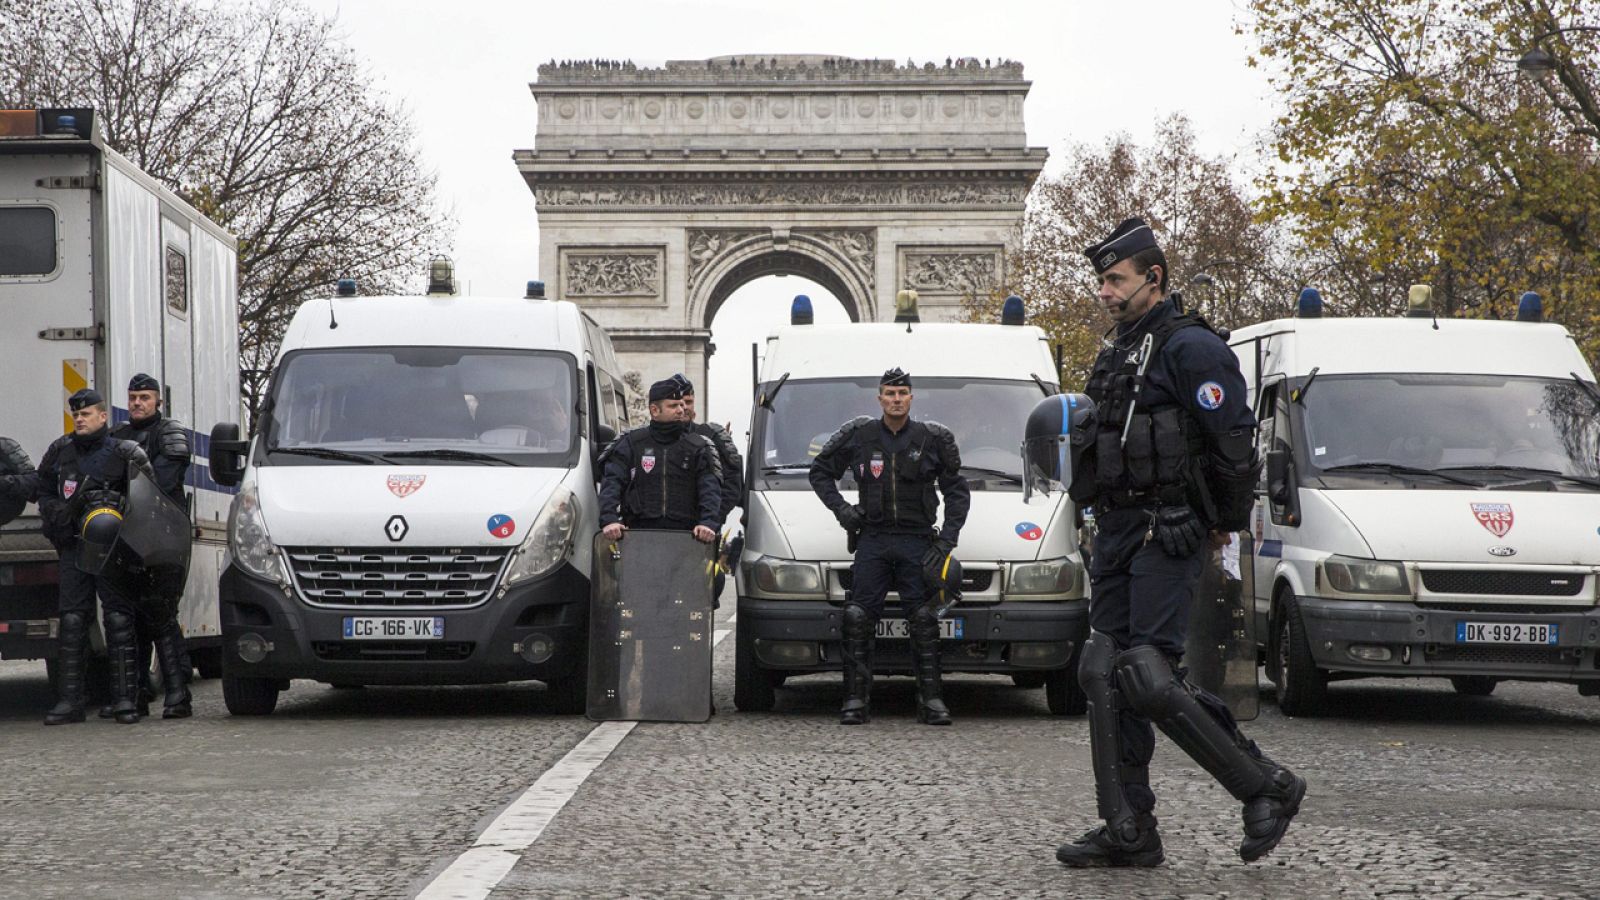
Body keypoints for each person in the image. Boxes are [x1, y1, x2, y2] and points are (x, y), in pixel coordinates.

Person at [1056, 218, 1305, 867]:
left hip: (1168, 529)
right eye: (1102, 281)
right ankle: (1128, 828)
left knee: (1147, 674)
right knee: (1101, 671)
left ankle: (1267, 787)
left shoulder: (1191, 348)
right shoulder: (1117, 351)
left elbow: (1232, 442)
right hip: (1115, 533)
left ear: (1153, 279)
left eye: (1117, 280)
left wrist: (1220, 522)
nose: (1105, 292)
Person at [808, 368, 970, 726]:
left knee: (925, 620)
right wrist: (843, 511)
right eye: (890, 394)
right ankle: (854, 701)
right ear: (879, 398)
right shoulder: (859, 436)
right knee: (857, 617)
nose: (896, 400)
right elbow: (819, 472)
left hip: (917, 541)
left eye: (902, 393)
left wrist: (946, 542)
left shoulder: (932, 439)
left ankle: (932, 701)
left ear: (912, 398)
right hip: (873, 540)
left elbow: (957, 491)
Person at [6, 389, 155, 725]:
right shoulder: (61, 451)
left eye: (86, 414)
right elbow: (41, 487)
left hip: (112, 547)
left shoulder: (124, 451)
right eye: (76, 415)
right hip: (73, 544)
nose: (80, 419)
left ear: (103, 416)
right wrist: (53, 510)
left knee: (118, 620)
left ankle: (124, 700)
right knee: (72, 621)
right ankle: (71, 700)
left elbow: (148, 498)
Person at [110, 373, 193, 719]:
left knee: (161, 615)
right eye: (132, 397)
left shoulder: (169, 434)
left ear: (158, 400)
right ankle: (140, 691)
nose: (137, 403)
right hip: (126, 538)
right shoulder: (117, 436)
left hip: (162, 537)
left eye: (144, 397)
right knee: (132, 616)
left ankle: (177, 694)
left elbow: (160, 482)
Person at [597, 378, 721, 544]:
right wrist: (610, 519)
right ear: (655, 410)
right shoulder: (632, 443)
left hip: (687, 541)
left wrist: (708, 523)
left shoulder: (697, 446)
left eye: (682, 405)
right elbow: (612, 481)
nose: (681, 410)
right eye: (673, 406)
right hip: (638, 537)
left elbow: (710, 489)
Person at [670, 373, 744, 604]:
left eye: (689, 402)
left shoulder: (712, 436)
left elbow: (733, 486)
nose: (684, 408)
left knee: (703, 595)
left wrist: (712, 518)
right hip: (665, 532)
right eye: (679, 402)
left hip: (703, 532)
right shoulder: (648, 441)